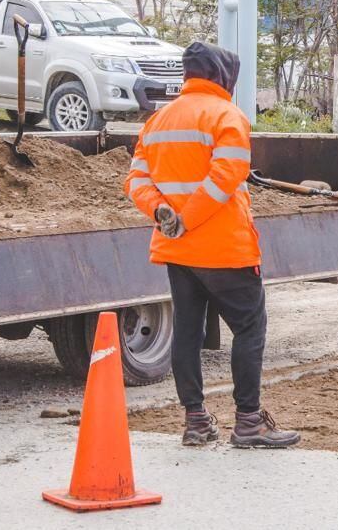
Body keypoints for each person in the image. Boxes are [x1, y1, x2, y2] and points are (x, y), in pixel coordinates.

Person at [124, 41, 300, 447]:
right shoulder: (227, 116)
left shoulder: (157, 121)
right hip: (223, 246)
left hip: (177, 250)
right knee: (250, 327)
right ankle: (249, 422)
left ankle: (196, 421)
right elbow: (226, 176)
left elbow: (135, 181)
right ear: (223, 77)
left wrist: (162, 213)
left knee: (187, 331)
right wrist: (187, 219)